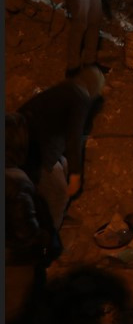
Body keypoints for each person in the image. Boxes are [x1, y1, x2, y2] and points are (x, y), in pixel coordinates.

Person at [18, 67, 104, 228]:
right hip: (37, 152)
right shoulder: (81, 99)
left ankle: (48, 213)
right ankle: (48, 237)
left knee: (63, 166)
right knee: (59, 194)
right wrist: (75, 175)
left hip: (20, 142)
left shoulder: (63, 89)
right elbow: (74, 138)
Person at [6, 113, 60, 324]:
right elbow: (25, 233)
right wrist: (45, 239)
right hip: (13, 265)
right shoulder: (16, 182)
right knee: (16, 321)